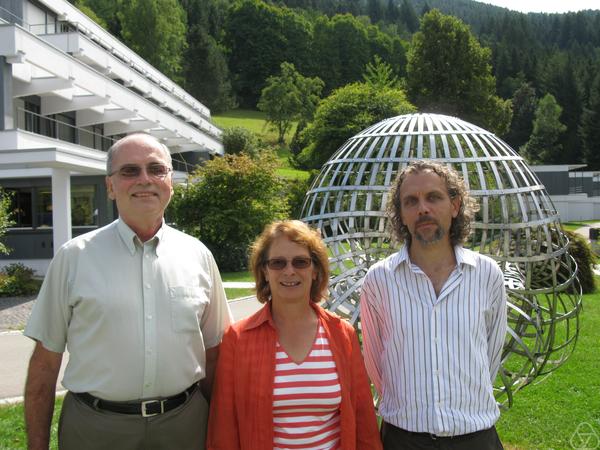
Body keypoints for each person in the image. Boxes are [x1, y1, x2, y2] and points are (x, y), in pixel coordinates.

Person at [23, 133, 232, 450]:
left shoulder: (198, 256)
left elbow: (215, 355)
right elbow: (44, 364)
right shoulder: (74, 257)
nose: (144, 180)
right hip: (96, 429)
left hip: (185, 426)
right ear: (110, 187)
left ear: (169, 182)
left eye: (155, 169)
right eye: (130, 171)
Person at [360, 160, 507, 450]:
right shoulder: (378, 280)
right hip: (403, 440)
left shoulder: (487, 274)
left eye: (434, 197)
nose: (423, 209)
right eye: (411, 201)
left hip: (476, 439)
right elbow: (376, 365)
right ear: (400, 214)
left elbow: (490, 355)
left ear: (455, 205)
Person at [207, 220, 382, 450]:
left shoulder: (342, 334)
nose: (289, 271)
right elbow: (224, 430)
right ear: (265, 272)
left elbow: (363, 421)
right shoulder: (238, 339)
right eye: (278, 263)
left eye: (300, 262)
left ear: (315, 270)